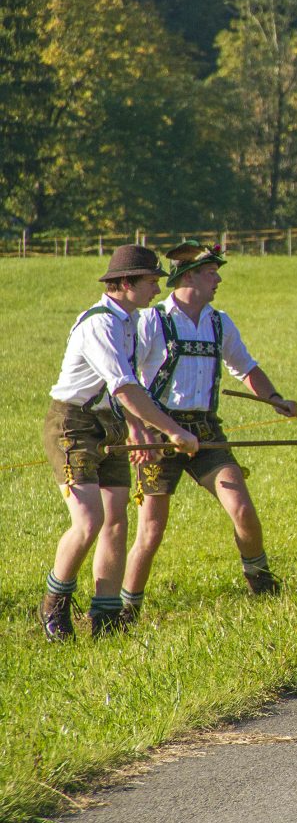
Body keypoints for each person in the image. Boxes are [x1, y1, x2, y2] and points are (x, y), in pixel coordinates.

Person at [122, 241, 297, 617]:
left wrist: (275, 397)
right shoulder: (152, 321)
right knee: (151, 529)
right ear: (188, 277)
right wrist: (138, 430)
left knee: (243, 509)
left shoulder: (220, 322)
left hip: (205, 431)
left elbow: (246, 368)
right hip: (160, 431)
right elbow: (126, 381)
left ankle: (260, 580)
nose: (217, 279)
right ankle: (127, 608)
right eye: (210, 272)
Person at [39, 245, 200, 640]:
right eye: (151, 282)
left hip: (107, 422)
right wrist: (173, 430)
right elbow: (125, 387)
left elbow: (123, 392)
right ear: (126, 283)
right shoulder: (101, 324)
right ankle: (54, 605)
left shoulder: (128, 322)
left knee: (116, 519)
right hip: (72, 423)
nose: (157, 290)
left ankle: (106, 617)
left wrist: (138, 428)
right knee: (89, 519)